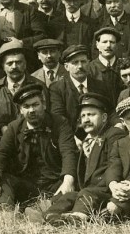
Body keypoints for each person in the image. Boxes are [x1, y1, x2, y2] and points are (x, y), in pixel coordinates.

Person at [0, 83, 78, 209]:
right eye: (26, 106)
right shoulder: (14, 127)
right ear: (20, 110)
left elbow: (68, 152)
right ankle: (6, 210)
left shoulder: (60, 123)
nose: (31, 110)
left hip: (54, 182)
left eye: (35, 104)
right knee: (4, 180)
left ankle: (49, 207)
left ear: (44, 105)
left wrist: (68, 181)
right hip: (26, 184)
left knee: (72, 187)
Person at [42, 92, 125, 223]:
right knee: (68, 196)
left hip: (107, 192)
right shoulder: (87, 140)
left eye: (91, 115)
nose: (86, 120)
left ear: (104, 117)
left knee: (86, 194)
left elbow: (116, 166)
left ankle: (77, 218)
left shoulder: (114, 135)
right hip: (89, 193)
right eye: (83, 116)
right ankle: (50, 216)